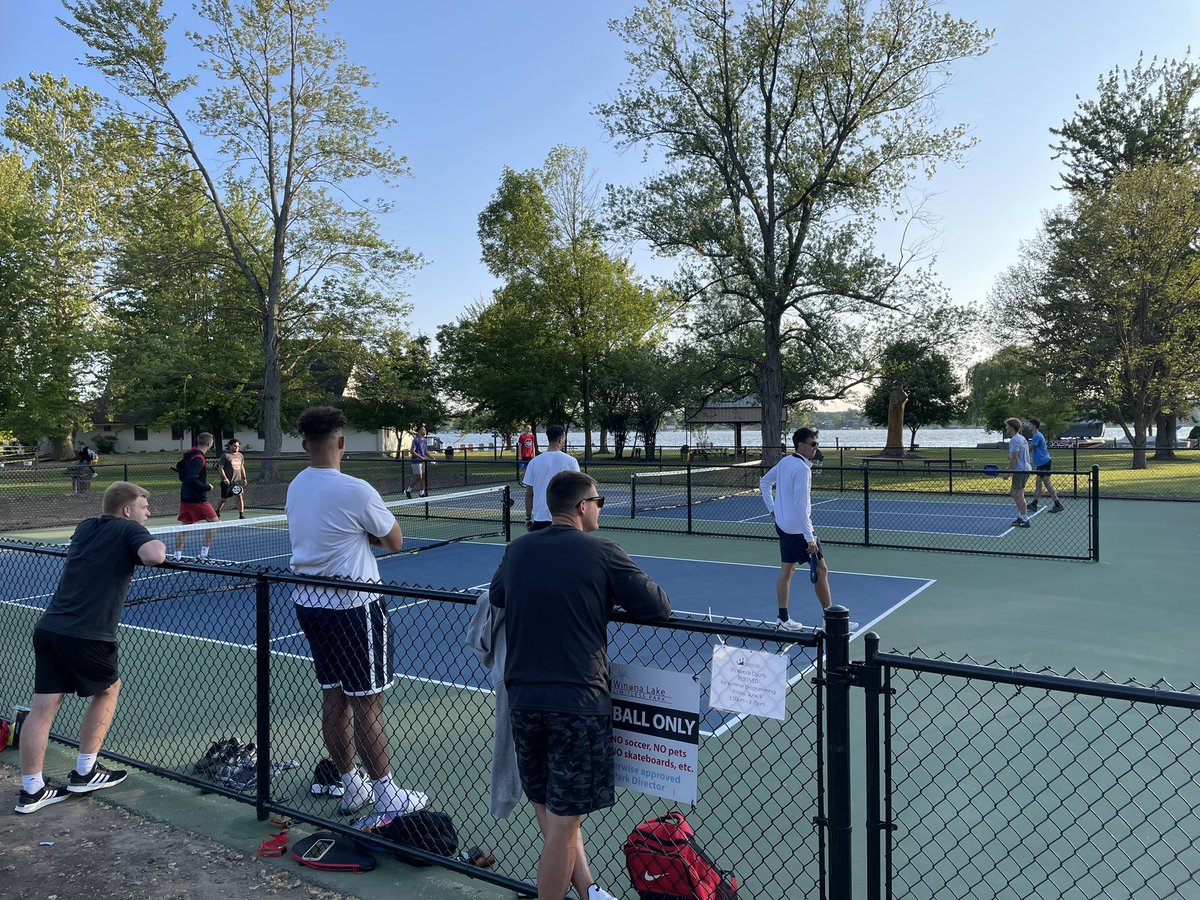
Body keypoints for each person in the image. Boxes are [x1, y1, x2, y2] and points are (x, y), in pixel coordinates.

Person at [489, 470, 671, 900]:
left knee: (558, 820)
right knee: (564, 827)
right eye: (599, 501)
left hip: (524, 701)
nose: (600, 508)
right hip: (578, 703)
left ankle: (589, 892)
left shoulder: (518, 551)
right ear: (582, 507)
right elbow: (659, 606)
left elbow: (499, 596)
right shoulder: (603, 551)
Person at [286, 406, 427, 818]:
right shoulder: (357, 490)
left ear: (304, 444)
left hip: (308, 604)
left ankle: (352, 785)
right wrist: (363, 534)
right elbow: (394, 541)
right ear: (342, 443)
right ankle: (386, 794)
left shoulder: (296, 485)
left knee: (334, 697)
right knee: (367, 703)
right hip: (353, 607)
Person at [16, 481, 167, 814]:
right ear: (127, 510)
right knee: (109, 690)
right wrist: (150, 540)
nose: (149, 513)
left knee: (42, 709)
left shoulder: (86, 528)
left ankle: (32, 791)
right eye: (144, 507)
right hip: (88, 634)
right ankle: (85, 771)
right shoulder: (129, 530)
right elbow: (154, 556)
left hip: (50, 628)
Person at [759, 427, 834, 631]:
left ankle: (783, 618)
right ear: (800, 444)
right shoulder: (802, 469)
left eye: (817, 444)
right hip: (799, 531)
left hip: (784, 527)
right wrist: (810, 538)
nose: (815, 449)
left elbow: (764, 482)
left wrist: (773, 511)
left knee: (788, 570)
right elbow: (801, 507)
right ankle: (830, 619)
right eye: (812, 444)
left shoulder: (786, 462)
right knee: (821, 570)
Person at [522, 425, 580, 531]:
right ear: (561, 438)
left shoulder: (534, 462)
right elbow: (578, 491)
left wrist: (528, 517)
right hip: (565, 517)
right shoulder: (571, 461)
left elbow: (529, 493)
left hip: (540, 517)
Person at [172, 433, 219, 559]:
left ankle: (177, 555)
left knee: (185, 525)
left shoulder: (190, 454)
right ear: (209, 444)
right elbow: (192, 478)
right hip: (196, 498)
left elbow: (180, 468)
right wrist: (206, 487)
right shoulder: (198, 458)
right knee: (215, 523)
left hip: (186, 496)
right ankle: (204, 554)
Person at [1026, 418, 1064, 513]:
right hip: (1041, 463)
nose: (1028, 426)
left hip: (1044, 462)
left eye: (1030, 424)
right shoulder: (1036, 435)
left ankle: (1058, 504)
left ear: (1034, 426)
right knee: (1039, 483)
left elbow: (1031, 448)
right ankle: (1035, 504)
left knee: (1046, 483)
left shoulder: (1037, 436)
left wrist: (1020, 450)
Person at [1005, 417, 1033, 527]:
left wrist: (1007, 471)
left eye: (1007, 426)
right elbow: (1016, 455)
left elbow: (1014, 458)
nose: (1006, 428)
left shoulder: (1015, 440)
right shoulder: (1021, 438)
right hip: (1024, 469)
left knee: (1017, 494)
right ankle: (1021, 517)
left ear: (1012, 427)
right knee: (1016, 492)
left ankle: (1025, 519)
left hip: (1020, 470)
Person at [215, 438, 248, 519]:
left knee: (239, 496)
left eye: (238, 446)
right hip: (227, 483)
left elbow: (242, 467)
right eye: (234, 446)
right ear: (230, 446)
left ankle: (241, 515)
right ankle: (217, 511)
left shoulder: (240, 455)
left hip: (236, 483)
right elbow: (220, 468)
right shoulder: (225, 456)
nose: (236, 448)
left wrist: (244, 478)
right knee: (224, 499)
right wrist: (225, 478)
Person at [406, 425, 432, 499]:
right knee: (419, 477)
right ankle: (409, 490)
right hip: (416, 461)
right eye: (423, 430)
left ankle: (421, 493)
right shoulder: (416, 440)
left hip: (423, 462)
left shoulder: (424, 440)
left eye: (425, 430)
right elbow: (412, 451)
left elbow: (426, 452)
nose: (424, 431)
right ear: (419, 431)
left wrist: (431, 457)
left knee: (423, 477)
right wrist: (420, 457)